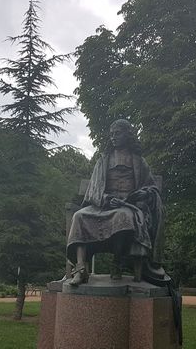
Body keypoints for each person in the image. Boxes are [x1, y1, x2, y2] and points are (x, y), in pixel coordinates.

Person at [66, 119, 164, 285]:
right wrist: (105, 199)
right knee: (79, 217)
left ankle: (117, 263)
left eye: (117, 133)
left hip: (128, 206)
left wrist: (141, 194)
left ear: (128, 135)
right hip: (103, 205)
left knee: (123, 218)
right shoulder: (103, 160)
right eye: (111, 134)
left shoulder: (139, 161)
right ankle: (81, 269)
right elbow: (93, 190)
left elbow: (152, 188)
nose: (113, 137)